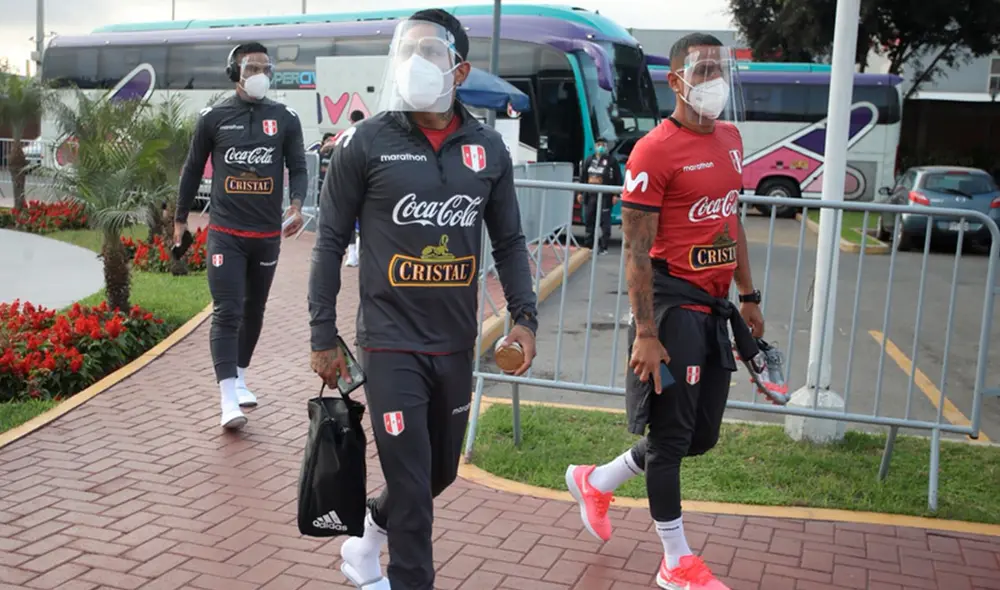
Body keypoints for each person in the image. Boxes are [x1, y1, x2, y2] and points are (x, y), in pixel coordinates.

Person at [308, 9, 538, 590]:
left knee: (437, 475)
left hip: (455, 343)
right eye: (406, 49)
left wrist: (525, 318)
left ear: (458, 68)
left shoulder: (487, 149)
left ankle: (369, 529)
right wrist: (321, 332)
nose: (415, 61)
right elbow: (330, 241)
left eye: (430, 51)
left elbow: (509, 242)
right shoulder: (366, 141)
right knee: (414, 489)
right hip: (389, 344)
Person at [564, 34, 765, 590]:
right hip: (671, 308)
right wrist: (646, 332)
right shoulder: (654, 150)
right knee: (673, 440)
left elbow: (732, 220)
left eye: (721, 69)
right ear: (675, 80)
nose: (715, 79)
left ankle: (597, 480)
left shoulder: (731, 137)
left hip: (715, 310)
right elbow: (634, 248)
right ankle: (676, 561)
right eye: (702, 70)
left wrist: (748, 296)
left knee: (699, 436)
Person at [175, 41, 307, 430]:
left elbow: (298, 166)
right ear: (235, 73)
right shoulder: (213, 118)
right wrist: (180, 220)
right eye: (251, 68)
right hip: (226, 234)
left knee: (254, 310)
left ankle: (241, 376)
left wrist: (297, 204)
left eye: (266, 68)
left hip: (267, 235)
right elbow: (192, 170)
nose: (259, 75)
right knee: (228, 310)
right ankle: (227, 397)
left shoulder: (285, 118)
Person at [576, 137, 622, 254]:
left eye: (603, 145)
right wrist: (580, 192)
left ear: (606, 147)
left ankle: (603, 247)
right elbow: (583, 177)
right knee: (589, 220)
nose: (600, 147)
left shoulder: (611, 161)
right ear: (595, 146)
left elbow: (618, 178)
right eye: (598, 144)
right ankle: (589, 246)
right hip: (590, 195)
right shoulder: (589, 160)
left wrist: (616, 195)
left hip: (605, 197)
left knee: (604, 222)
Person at [342, 110, 367, 268]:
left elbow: (331, 145)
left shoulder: (349, 134)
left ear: (351, 120)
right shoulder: (372, 132)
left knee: (351, 220)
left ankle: (354, 252)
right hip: (366, 184)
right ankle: (356, 251)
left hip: (353, 184)